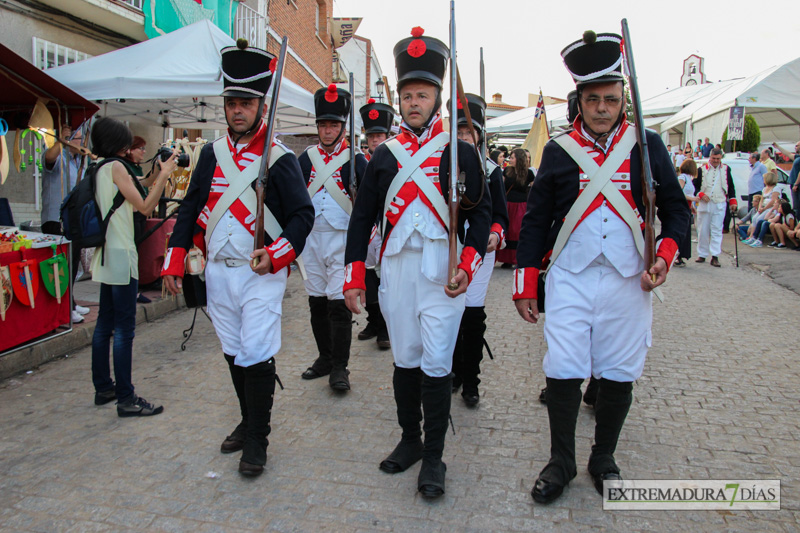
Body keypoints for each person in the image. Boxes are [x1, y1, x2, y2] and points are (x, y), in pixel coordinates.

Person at [512, 30, 689, 504]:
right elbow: (535, 220)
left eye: (611, 99)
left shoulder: (647, 144)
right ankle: (562, 461)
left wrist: (665, 257)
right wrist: (526, 281)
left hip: (629, 278)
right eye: (594, 100)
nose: (603, 108)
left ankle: (603, 456)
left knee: (618, 370)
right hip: (570, 275)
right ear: (580, 102)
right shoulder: (558, 150)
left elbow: (676, 211)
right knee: (564, 368)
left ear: (622, 100)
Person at [343, 26, 491, 500]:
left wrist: (467, 263)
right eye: (407, 95)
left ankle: (434, 457)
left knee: (436, 362)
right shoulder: (384, 155)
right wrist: (353, 276)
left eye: (422, 94)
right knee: (405, 359)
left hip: (443, 270)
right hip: (397, 270)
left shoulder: (459, 149)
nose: (413, 102)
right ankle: (410, 439)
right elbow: (362, 217)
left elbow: (483, 213)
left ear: (437, 98)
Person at [161, 40, 315, 477]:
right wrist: (174, 258)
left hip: (259, 273)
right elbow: (190, 207)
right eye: (232, 103)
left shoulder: (280, 158)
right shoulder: (211, 153)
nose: (238, 111)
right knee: (233, 351)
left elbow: (303, 216)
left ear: (260, 105)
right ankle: (249, 419)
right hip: (217, 272)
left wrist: (278, 255)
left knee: (256, 351)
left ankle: (257, 441)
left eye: (246, 103)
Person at [90, 117, 178, 417]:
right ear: (118, 143)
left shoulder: (100, 168)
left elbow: (134, 187)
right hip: (120, 254)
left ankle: (104, 387)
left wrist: (155, 172)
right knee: (124, 329)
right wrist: (165, 176)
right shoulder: (115, 168)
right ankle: (126, 398)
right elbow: (145, 205)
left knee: (104, 323)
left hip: (105, 253)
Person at [298, 85, 368, 391]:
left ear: (343, 127)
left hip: (342, 240)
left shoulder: (358, 160)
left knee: (339, 305)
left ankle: (341, 367)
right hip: (311, 239)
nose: (327, 131)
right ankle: (325, 357)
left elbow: (368, 206)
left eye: (334, 125)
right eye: (323, 125)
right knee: (317, 302)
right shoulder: (305, 159)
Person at [448, 93, 509, 407]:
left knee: (471, 314)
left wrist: (496, 235)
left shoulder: (491, 171)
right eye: (458, 132)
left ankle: (470, 379)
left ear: (479, 135)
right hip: (448, 249)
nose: (463, 138)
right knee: (449, 315)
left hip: (480, 252)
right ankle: (453, 372)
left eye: (468, 133)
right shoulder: (440, 166)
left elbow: (500, 214)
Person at [355, 97, 397, 350]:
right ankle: (373, 320)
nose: (375, 140)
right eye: (371, 136)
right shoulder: (360, 161)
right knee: (369, 277)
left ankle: (385, 326)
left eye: (379, 135)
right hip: (366, 228)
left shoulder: (395, 159)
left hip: (386, 226)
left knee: (386, 278)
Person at [41, 124, 90, 323]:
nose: (80, 143)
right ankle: (62, 307)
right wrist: (61, 141)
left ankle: (70, 302)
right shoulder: (58, 155)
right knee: (60, 266)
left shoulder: (80, 162)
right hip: (55, 219)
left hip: (73, 218)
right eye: (77, 139)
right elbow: (49, 159)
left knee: (73, 263)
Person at [695, 148, 736, 267]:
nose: (716, 161)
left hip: (719, 202)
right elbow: (695, 187)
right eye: (714, 158)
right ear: (710, 157)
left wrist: (733, 200)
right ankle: (702, 254)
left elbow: (731, 186)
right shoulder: (701, 170)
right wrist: (701, 194)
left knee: (717, 230)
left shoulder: (726, 170)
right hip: (705, 203)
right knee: (703, 229)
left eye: (718, 159)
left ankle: (715, 255)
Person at [496, 148, 534, 268]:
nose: (510, 160)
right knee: (508, 231)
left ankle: (517, 258)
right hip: (508, 204)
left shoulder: (529, 173)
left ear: (519, 159)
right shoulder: (507, 171)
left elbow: (534, 190)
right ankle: (507, 259)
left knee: (517, 232)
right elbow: (500, 187)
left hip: (521, 206)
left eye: (512, 158)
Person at [675, 159, 699, 266]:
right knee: (681, 231)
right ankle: (676, 256)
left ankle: (680, 255)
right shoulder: (682, 178)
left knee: (685, 232)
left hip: (687, 207)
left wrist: (692, 205)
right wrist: (693, 199)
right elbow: (679, 192)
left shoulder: (688, 178)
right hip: (681, 207)